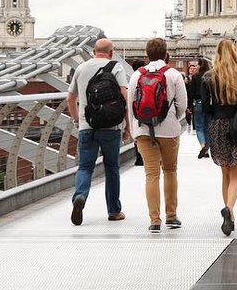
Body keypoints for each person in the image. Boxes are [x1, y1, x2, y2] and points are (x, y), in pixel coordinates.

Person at [66, 38, 131, 225]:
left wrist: (77, 120)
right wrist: (127, 126)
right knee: (112, 168)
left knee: (85, 167)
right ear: (111, 53)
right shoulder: (116, 67)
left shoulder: (81, 68)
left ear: (94, 51)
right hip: (111, 127)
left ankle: (80, 197)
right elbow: (125, 98)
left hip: (88, 126)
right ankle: (114, 211)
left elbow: (70, 98)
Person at [128, 37, 188, 233]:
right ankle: (171, 216)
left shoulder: (137, 75)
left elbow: (130, 106)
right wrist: (171, 119)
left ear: (147, 55)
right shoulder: (173, 74)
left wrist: (133, 131)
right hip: (169, 130)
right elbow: (182, 105)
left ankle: (154, 220)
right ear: (165, 53)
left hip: (143, 129)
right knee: (170, 171)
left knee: (151, 175)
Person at [202, 39, 237, 236]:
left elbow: (206, 109)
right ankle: (230, 209)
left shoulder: (208, 77)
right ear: (235, 53)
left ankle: (229, 213)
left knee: (225, 174)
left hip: (217, 126)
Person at [186, 58, 212, 159]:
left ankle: (203, 146)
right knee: (208, 127)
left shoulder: (196, 77)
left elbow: (191, 92)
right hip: (209, 104)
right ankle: (207, 148)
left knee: (199, 128)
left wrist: (189, 106)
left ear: (200, 65)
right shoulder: (211, 76)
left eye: (197, 65)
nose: (195, 67)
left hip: (199, 103)